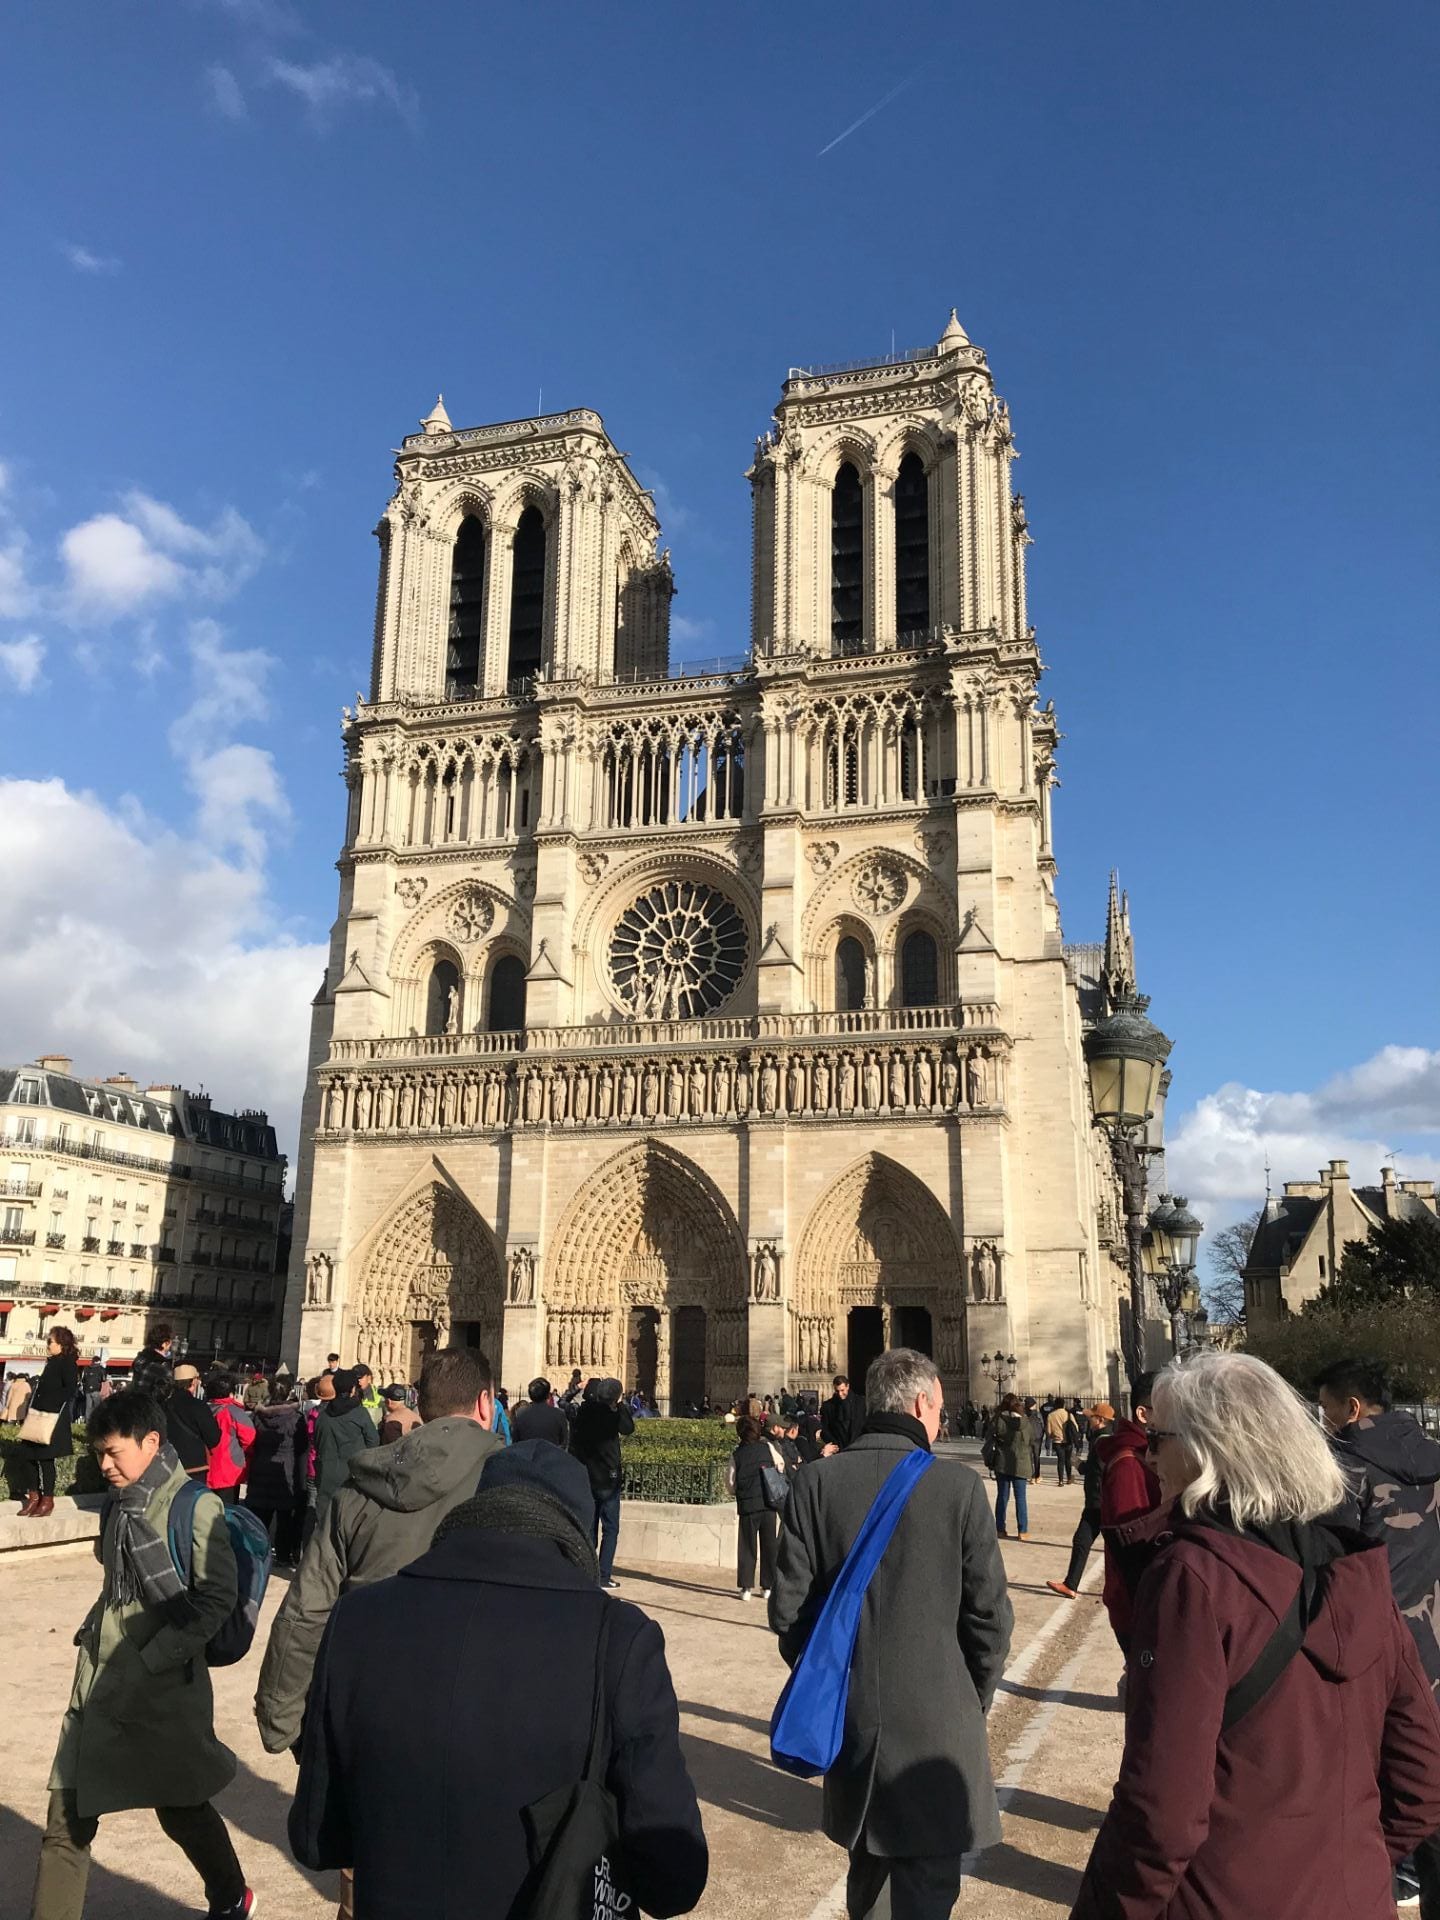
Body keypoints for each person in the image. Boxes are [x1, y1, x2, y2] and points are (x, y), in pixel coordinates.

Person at [1072, 1351, 1440, 1920]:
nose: (1147, 1455)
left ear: (1204, 1451)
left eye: (1158, 1439)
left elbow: (1161, 1815)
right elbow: (1422, 1780)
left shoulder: (1193, 1578)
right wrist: (1347, 1863)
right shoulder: (1358, 1568)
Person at [288, 1440, 708, 1920]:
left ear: (478, 1507)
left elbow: (316, 1839)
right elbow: (674, 1878)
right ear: (577, 1529)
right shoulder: (617, 1639)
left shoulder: (358, 1619)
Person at [771, 1350, 1011, 1919]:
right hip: (938, 1727)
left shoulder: (815, 1484)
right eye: (940, 1409)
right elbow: (991, 1621)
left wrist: (840, 1687)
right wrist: (964, 1698)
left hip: (852, 1726)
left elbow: (789, 1616)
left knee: (870, 1882)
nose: (941, 1421)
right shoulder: (958, 1489)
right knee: (928, 1890)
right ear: (923, 1401)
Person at [29, 1388, 255, 1920]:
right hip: (100, 1681)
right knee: (67, 1819)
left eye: (115, 1453)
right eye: (99, 1454)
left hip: (163, 1690)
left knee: (180, 1807)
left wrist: (156, 1657)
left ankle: (229, 1893)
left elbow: (217, 1598)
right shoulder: (118, 1505)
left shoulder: (196, 1507)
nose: (105, 1466)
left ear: (152, 1442)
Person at [256, 1346, 503, 1760]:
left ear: (419, 1404)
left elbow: (306, 1610)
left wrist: (280, 1719)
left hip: (368, 1711)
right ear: (484, 1403)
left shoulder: (359, 1489)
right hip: (475, 1717)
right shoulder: (514, 1482)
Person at [1317, 1356, 1440, 1916]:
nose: (1324, 1421)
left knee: (1372, 1768)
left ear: (1353, 1408)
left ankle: (1395, 1871)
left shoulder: (1341, 1467)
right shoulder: (1435, 1454)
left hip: (1375, 1639)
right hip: (1436, 1636)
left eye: (1326, 1409)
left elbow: (1323, 1561)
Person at [1093, 1370, 1162, 1648]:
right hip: (1138, 1606)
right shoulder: (1128, 1465)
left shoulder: (1147, 1455)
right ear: (1143, 1415)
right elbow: (1133, 1547)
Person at [570, 1376, 634, 1589]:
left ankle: (586, 1571)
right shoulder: (613, 1416)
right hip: (609, 1478)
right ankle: (604, 1575)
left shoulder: (585, 1413)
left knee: (589, 1526)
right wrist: (621, 1406)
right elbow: (628, 1429)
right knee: (611, 1528)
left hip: (588, 1476)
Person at [1046, 1401, 1115, 1601]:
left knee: (1086, 1542)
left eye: (1091, 1417)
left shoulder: (1102, 1442)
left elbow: (1098, 1470)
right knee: (1084, 1541)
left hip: (1098, 1501)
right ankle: (1071, 1584)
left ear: (1100, 1420)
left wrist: (1079, 1464)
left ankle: (1072, 1584)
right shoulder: (1104, 1439)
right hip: (1099, 1500)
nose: (1088, 1419)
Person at [15, 1327, 79, 1519]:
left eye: (50, 1342)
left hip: (51, 1419)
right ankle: (34, 1496)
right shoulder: (51, 1362)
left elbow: (70, 1389)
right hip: (37, 1416)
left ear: (61, 1344)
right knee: (27, 1456)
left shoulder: (68, 1363)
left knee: (45, 1460)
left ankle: (48, 1500)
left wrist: (50, 1403)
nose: (48, 1345)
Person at [246, 1378, 308, 1567]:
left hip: (261, 1468)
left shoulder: (258, 1416)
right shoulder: (296, 1418)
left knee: (260, 1516)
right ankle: (282, 1554)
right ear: (290, 1392)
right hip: (285, 1470)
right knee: (284, 1518)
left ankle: (257, 1553)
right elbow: (302, 1448)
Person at [311, 1367, 379, 1522]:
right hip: (352, 1476)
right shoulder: (359, 1413)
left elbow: (317, 1443)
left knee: (325, 1523)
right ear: (353, 1389)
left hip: (326, 1476)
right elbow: (373, 1441)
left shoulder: (322, 1417)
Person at [728, 1415, 783, 1601]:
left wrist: (736, 1491)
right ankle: (767, 1586)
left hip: (748, 1505)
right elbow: (780, 1464)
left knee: (747, 1547)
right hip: (768, 1503)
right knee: (769, 1546)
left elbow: (730, 1482)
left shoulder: (737, 1454)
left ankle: (746, 1588)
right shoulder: (767, 1447)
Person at [204, 1370, 257, 1507]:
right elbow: (249, 1439)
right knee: (228, 1510)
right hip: (229, 1469)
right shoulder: (234, 1412)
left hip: (204, 1467)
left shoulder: (203, 1409)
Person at [163, 1363, 222, 1481]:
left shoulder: (163, 1406)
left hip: (167, 1465)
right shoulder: (199, 1406)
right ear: (193, 1382)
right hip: (195, 1466)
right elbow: (214, 1438)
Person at [987, 1392, 1031, 1539]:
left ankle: (1000, 1529)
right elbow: (1031, 1439)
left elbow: (988, 1436)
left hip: (1003, 1462)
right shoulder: (1025, 1421)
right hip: (1021, 1462)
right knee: (1021, 1498)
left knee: (1002, 1496)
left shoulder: (998, 1419)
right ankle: (1022, 1531)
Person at [510, 1376, 570, 1449]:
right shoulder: (559, 1414)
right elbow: (564, 1442)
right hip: (551, 1456)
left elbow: (515, 1440)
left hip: (526, 1456)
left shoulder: (521, 1414)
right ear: (548, 1395)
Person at [129, 1324, 174, 1399]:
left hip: (133, 1405)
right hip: (150, 1407)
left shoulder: (140, 1359)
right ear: (165, 1343)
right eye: (170, 1342)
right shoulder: (162, 1366)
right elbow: (165, 1395)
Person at [819, 1374, 860, 1454]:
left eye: (842, 1390)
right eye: (837, 1391)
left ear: (848, 1386)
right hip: (838, 1451)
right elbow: (825, 1429)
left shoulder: (860, 1403)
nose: (840, 1394)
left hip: (858, 1449)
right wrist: (835, 1445)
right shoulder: (827, 1406)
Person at [1047, 1397, 1080, 1485]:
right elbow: (1075, 1427)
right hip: (1068, 1440)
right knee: (1068, 1460)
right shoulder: (1069, 1414)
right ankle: (1069, 1478)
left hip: (1057, 1441)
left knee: (1060, 1461)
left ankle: (1060, 1480)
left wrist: (1053, 1436)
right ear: (1064, 1404)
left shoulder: (1051, 1415)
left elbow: (1049, 1431)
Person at [1024, 1395, 1044, 1482]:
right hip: (1037, 1438)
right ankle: (1037, 1476)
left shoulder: (1024, 1414)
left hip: (1027, 1438)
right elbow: (1043, 1425)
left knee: (1029, 1457)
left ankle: (1031, 1475)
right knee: (1037, 1457)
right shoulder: (1038, 1414)